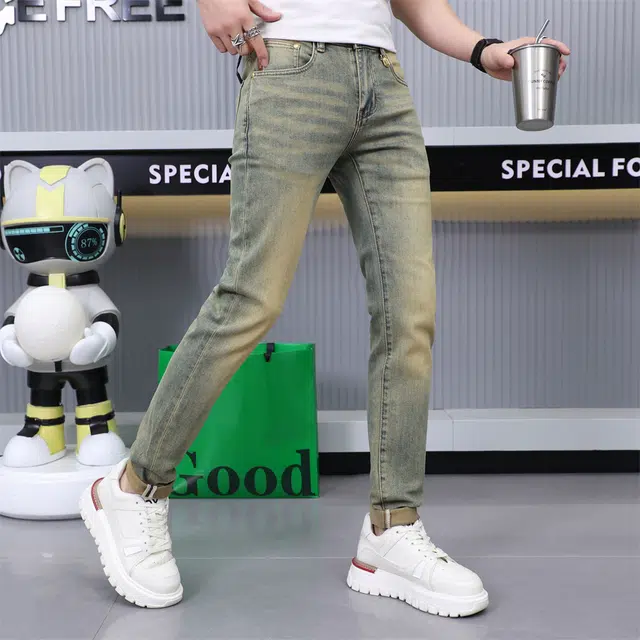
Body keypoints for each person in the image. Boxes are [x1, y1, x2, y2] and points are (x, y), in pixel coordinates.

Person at [80, 0, 569, 615]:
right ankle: (135, 488)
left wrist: (482, 48)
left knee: (409, 314)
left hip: (383, 84)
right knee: (252, 296)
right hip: (290, 70)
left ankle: (392, 528)